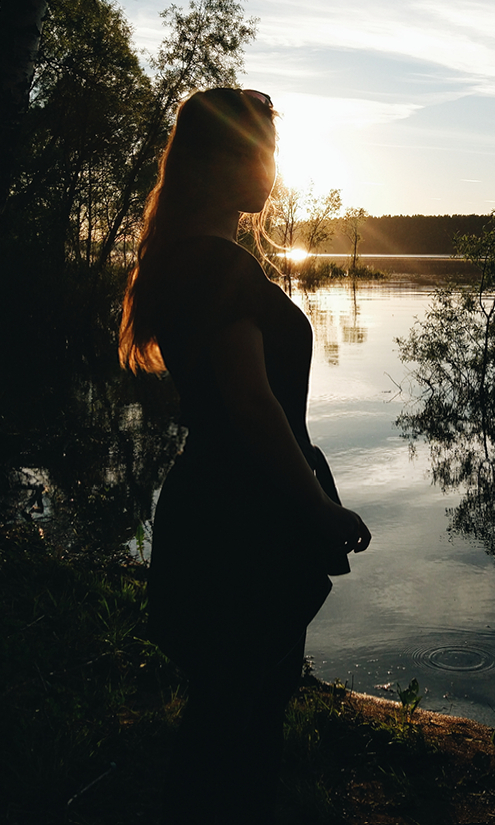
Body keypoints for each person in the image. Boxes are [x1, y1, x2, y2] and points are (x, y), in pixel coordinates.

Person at [118, 88, 372, 824]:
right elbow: (250, 405)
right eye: (257, 151)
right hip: (242, 521)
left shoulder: (190, 259)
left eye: (272, 152)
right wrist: (317, 507)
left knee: (231, 710)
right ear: (214, 162)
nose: (270, 168)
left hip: (223, 506)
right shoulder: (215, 268)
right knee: (241, 719)